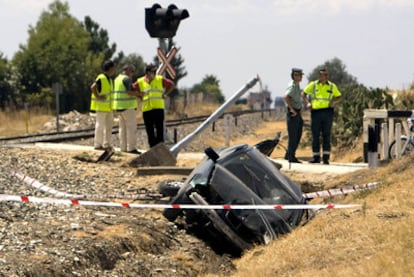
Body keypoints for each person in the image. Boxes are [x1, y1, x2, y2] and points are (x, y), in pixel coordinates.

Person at [302, 68, 342, 164]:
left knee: (326, 135)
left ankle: (325, 158)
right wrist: (307, 103)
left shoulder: (332, 86)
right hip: (316, 112)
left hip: (328, 112)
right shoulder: (313, 85)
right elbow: (303, 94)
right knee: (315, 135)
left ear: (327, 76)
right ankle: (316, 157)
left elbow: (339, 97)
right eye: (321, 75)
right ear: (319, 76)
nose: (323, 76)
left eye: (325, 75)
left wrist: (334, 102)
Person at [133, 64, 175, 148]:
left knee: (160, 130)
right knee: (149, 130)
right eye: (153, 72)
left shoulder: (159, 79)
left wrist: (165, 94)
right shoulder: (140, 81)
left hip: (158, 108)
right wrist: (139, 95)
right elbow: (132, 89)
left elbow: (171, 85)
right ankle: (152, 147)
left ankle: (160, 148)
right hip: (146, 109)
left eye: (155, 71)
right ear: (147, 73)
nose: (155, 73)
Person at [112, 64, 143, 154]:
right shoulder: (126, 79)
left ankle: (123, 148)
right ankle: (131, 148)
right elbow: (129, 92)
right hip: (127, 107)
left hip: (119, 107)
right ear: (128, 70)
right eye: (132, 71)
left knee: (122, 129)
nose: (132, 74)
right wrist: (139, 94)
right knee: (131, 128)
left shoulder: (117, 79)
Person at [90, 60, 116, 150]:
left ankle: (107, 144)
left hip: (109, 108)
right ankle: (97, 144)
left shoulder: (110, 79)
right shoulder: (101, 77)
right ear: (110, 68)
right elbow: (93, 87)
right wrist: (98, 96)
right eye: (114, 67)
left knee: (109, 127)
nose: (114, 69)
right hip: (101, 107)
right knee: (100, 126)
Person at [284, 68, 304, 163]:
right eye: (298, 75)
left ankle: (289, 154)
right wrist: (292, 109)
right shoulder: (292, 86)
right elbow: (286, 97)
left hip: (297, 111)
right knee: (293, 135)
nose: (300, 77)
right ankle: (291, 157)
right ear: (294, 76)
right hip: (293, 112)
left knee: (298, 133)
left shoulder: (297, 85)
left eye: (301, 75)